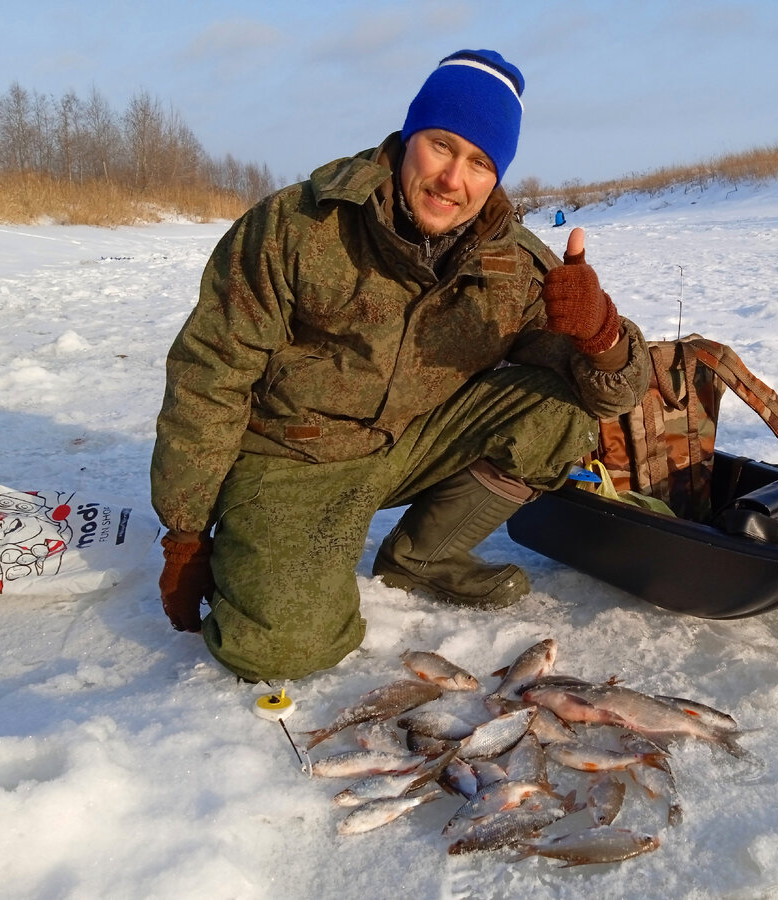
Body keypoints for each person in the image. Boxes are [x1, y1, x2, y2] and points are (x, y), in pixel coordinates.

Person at [151, 49, 650, 683]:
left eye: (480, 163)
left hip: (412, 444)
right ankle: (266, 558)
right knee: (279, 651)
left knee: (560, 407)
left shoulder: (515, 262)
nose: (452, 180)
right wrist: (186, 530)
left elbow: (611, 396)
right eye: (442, 146)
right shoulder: (298, 226)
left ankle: (423, 557)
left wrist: (601, 334)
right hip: (293, 459)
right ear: (408, 137)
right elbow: (209, 373)